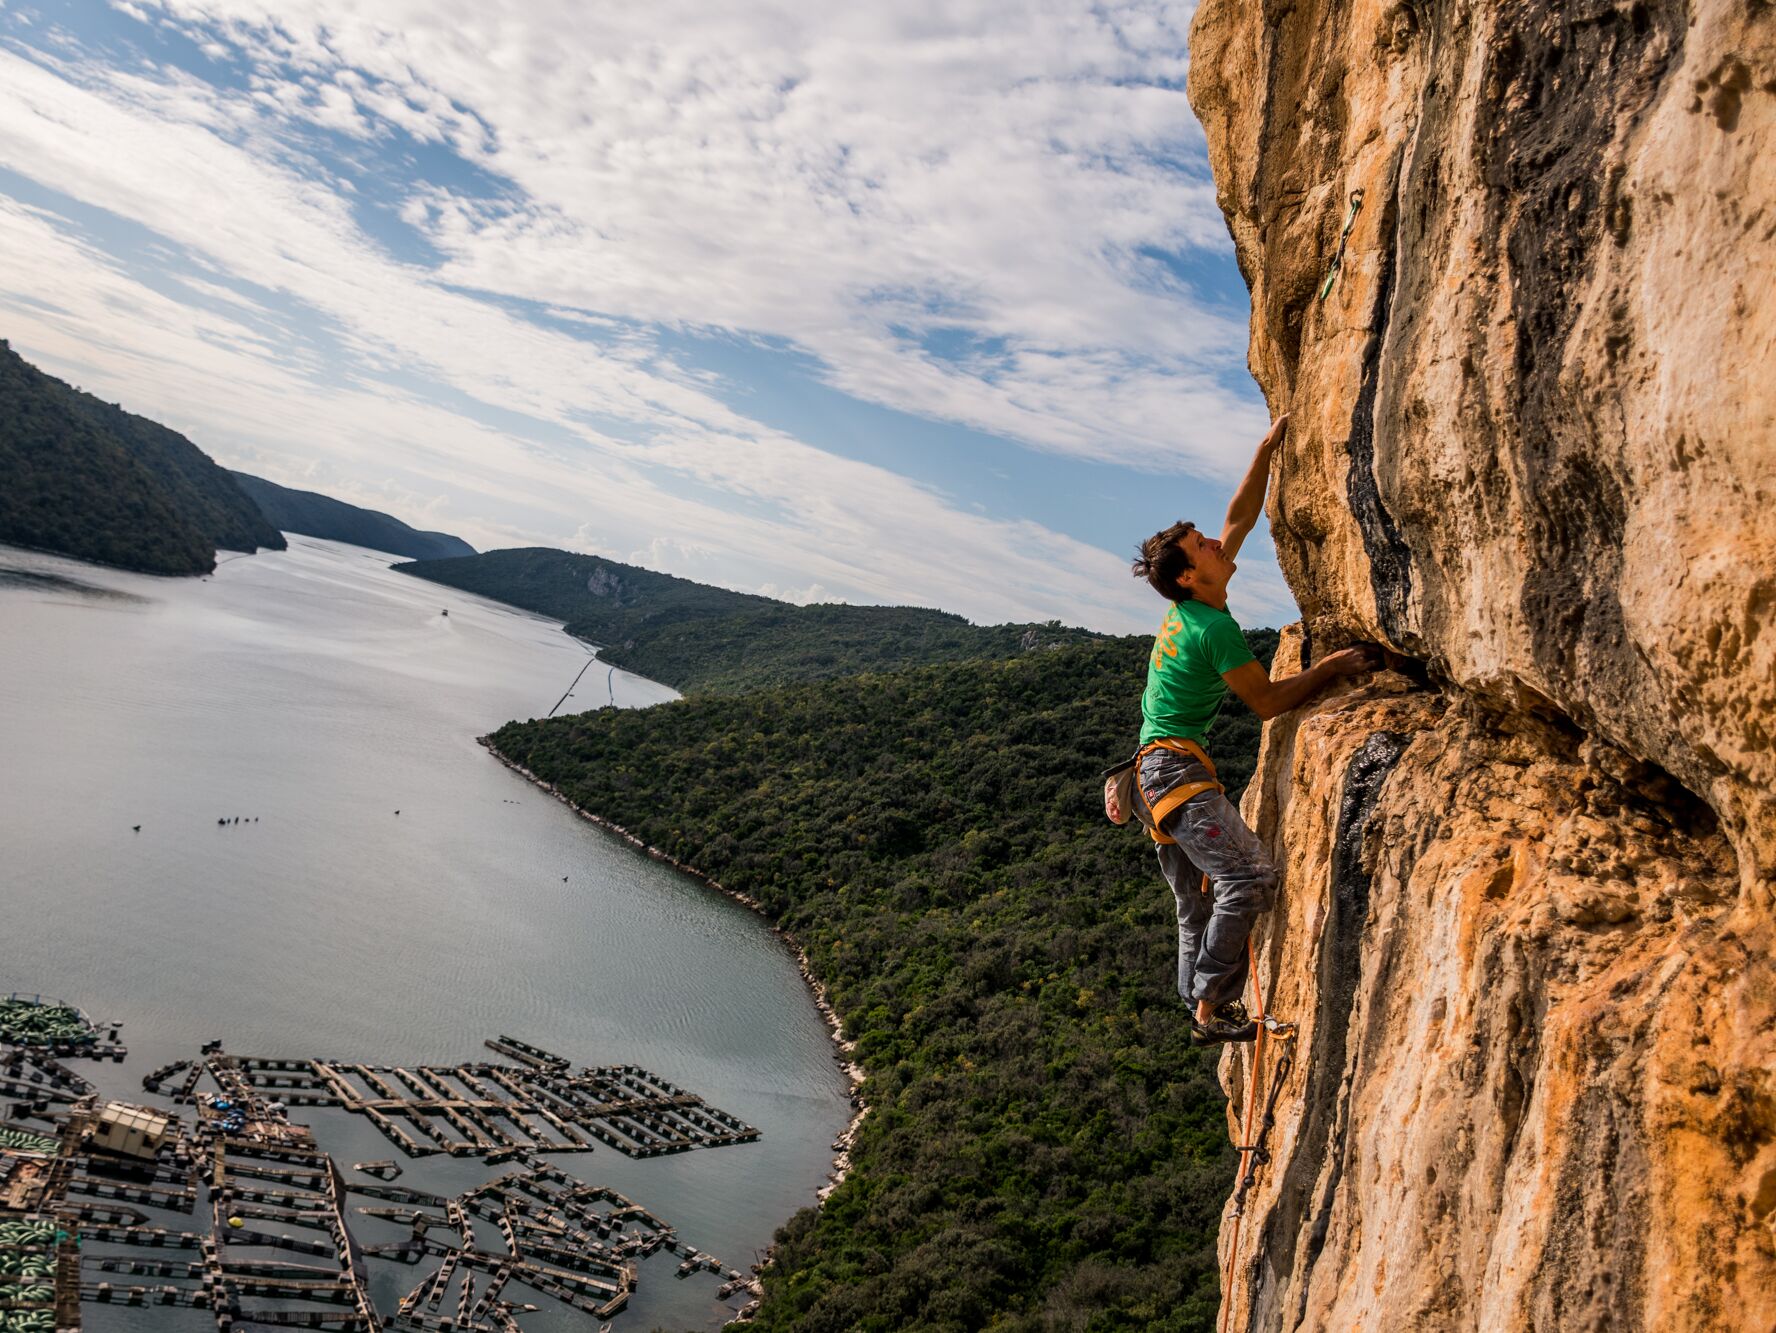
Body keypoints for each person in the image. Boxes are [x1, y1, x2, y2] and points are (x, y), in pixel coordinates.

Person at [1131, 413, 1376, 1045]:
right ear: (1189, 574)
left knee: (1195, 906)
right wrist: (1332, 668)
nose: (1215, 544)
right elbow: (1267, 703)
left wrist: (1265, 451)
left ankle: (1198, 1006)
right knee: (1247, 880)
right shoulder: (1213, 627)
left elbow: (1237, 519)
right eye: (1200, 547)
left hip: (1153, 773)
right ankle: (1211, 1007)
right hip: (1177, 776)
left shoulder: (1195, 602)